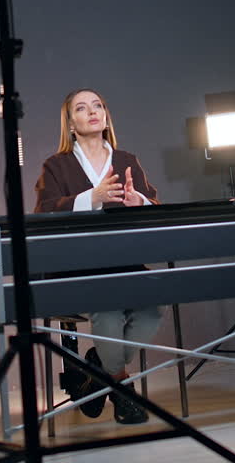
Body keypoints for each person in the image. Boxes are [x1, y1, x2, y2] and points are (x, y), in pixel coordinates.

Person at [33, 88, 163, 425]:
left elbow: (154, 207)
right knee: (108, 309)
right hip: (78, 267)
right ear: (70, 123)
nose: (93, 111)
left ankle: (97, 369)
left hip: (126, 262)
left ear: (105, 116)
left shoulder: (126, 160)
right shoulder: (56, 165)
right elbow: (44, 212)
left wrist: (140, 204)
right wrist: (92, 197)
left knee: (152, 307)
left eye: (98, 105)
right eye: (81, 107)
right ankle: (121, 389)